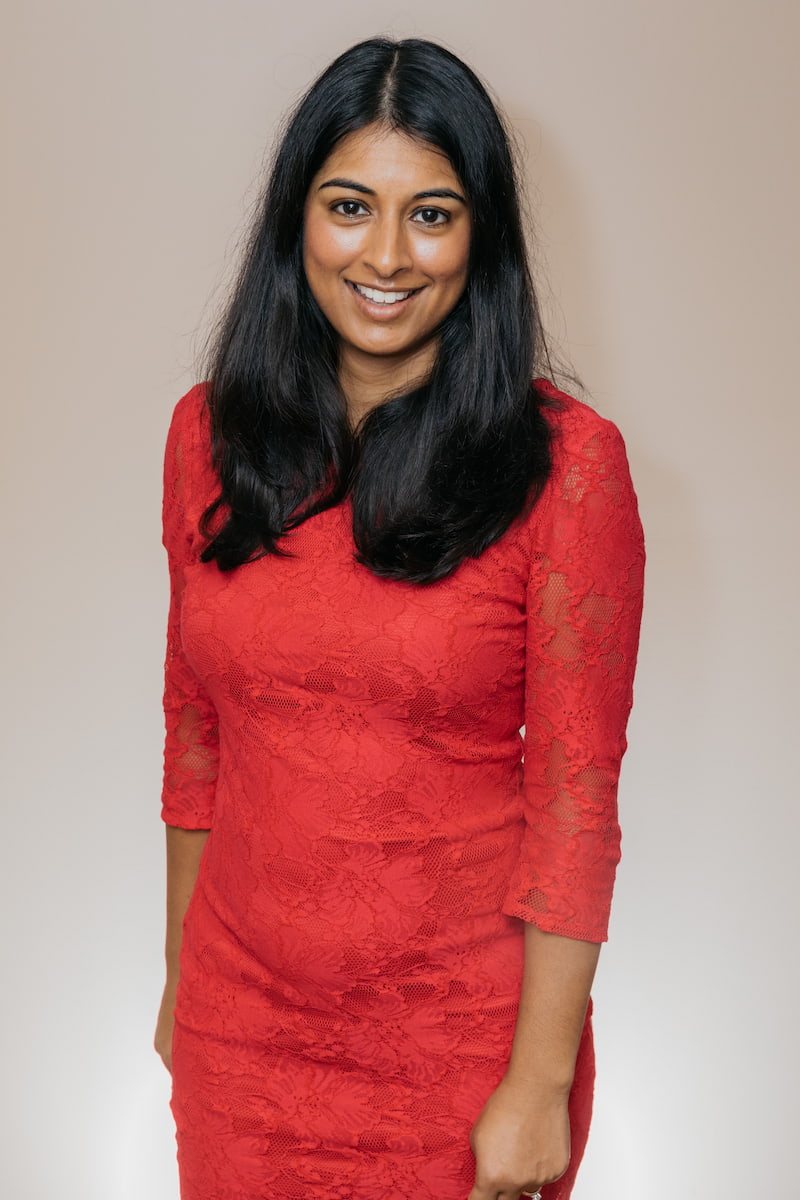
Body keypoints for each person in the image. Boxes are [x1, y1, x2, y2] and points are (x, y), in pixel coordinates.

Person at [153, 36, 644, 1200]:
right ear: (295, 222)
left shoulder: (565, 469)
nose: (385, 255)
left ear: (481, 240)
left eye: (431, 214)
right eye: (347, 206)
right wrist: (179, 981)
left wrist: (533, 1088)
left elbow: (575, 808)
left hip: (459, 1057)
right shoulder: (204, 435)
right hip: (241, 1039)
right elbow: (194, 735)